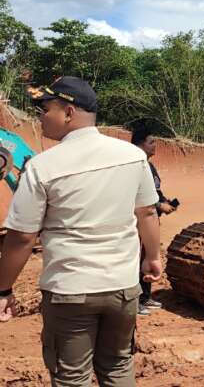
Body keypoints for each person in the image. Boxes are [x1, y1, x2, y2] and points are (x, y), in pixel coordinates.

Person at [0, 76, 161, 387]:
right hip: (123, 288)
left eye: (45, 109)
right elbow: (147, 212)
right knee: (117, 367)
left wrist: (3, 289)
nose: (41, 116)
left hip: (70, 292)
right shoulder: (133, 156)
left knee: (72, 377)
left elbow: (22, 237)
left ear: (69, 112)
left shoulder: (42, 166)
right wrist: (152, 256)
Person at [131, 127, 179, 316]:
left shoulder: (149, 166)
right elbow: (138, 196)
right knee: (135, 260)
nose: (155, 146)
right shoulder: (135, 164)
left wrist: (165, 202)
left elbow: (155, 192)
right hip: (137, 221)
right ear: (140, 143)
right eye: (152, 142)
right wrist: (159, 206)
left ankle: (144, 297)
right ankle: (134, 302)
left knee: (147, 258)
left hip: (150, 220)